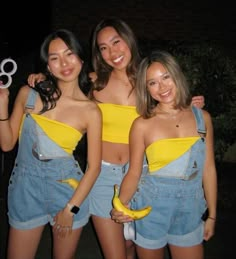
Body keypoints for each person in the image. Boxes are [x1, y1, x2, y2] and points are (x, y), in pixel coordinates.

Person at [27, 18, 205, 259]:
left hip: (143, 176)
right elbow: (63, 82)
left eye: (116, 42)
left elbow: (172, 102)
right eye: (103, 48)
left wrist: (189, 105)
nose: (112, 52)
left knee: (134, 246)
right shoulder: (92, 81)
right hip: (103, 177)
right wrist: (41, 77)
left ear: (128, 40)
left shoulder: (149, 80)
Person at [0, 29, 102, 259]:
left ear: (81, 58)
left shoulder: (91, 110)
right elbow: (7, 144)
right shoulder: (29, 94)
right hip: (25, 190)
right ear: (47, 66)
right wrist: (1, 104)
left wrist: (71, 208)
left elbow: (94, 167)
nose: (63, 63)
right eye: (54, 58)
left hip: (67, 192)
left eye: (69, 54)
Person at [111, 50, 217, 259]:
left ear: (176, 75)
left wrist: (212, 215)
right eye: (153, 83)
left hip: (191, 209)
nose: (162, 87)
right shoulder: (142, 124)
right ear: (146, 88)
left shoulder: (202, 118)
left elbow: (209, 168)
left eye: (166, 77)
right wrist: (120, 205)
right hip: (151, 208)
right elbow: (134, 173)